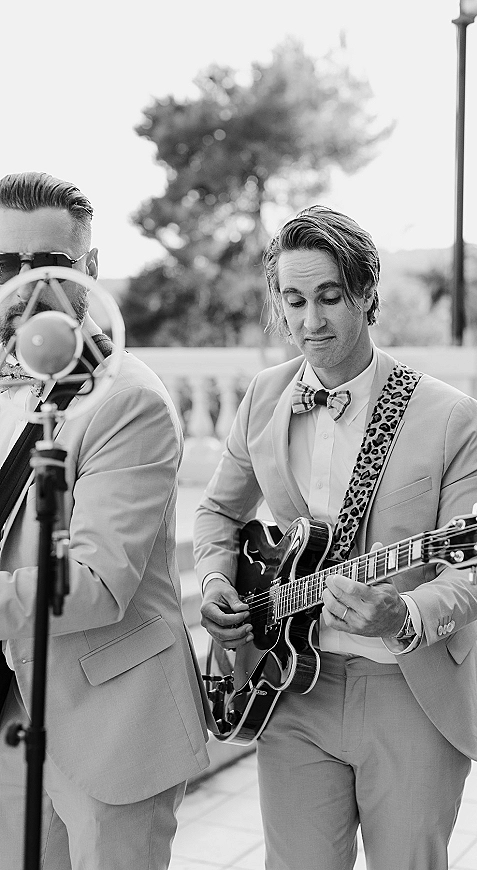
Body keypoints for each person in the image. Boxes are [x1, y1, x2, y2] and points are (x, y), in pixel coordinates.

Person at [194, 205, 477, 870]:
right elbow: (217, 514)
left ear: (367, 295)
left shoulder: (450, 416)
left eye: (330, 297)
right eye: (294, 300)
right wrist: (219, 579)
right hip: (290, 688)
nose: (311, 322)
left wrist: (405, 612)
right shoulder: (263, 397)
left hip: (409, 692)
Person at [0, 172, 214, 870]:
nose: (28, 286)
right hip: (12, 713)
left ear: (91, 269)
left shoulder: (128, 399)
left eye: (52, 265)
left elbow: (93, 583)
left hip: (109, 722)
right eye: (7, 265)